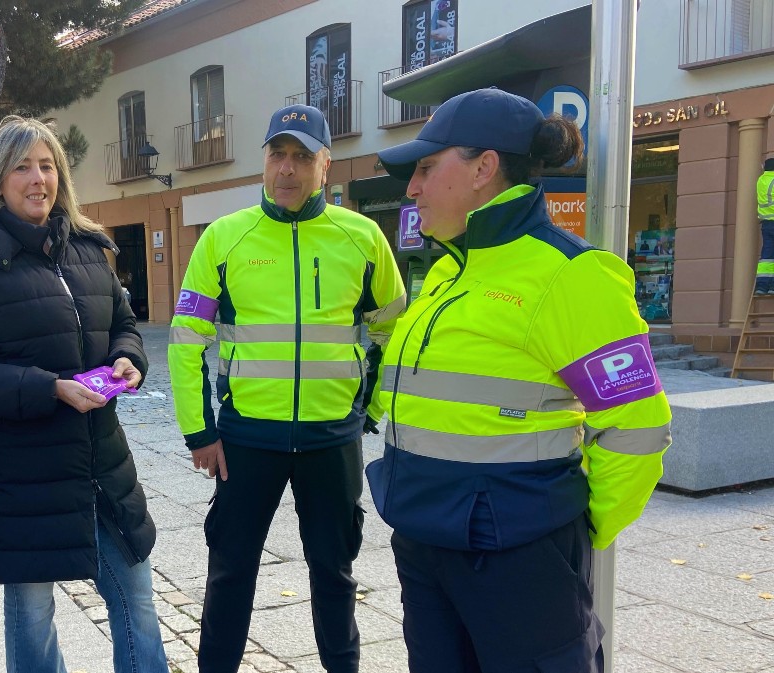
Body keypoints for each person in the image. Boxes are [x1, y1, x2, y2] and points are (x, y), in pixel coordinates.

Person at [368, 88, 672, 672]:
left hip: (517, 555)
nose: (412, 188)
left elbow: (637, 426)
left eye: (428, 168)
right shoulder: (448, 272)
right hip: (425, 538)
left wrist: (574, 529)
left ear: (485, 168)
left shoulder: (570, 275)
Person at [0, 116, 167, 673]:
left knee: (137, 598)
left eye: (48, 165)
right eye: (22, 167)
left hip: (101, 463)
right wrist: (47, 389)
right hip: (17, 475)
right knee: (33, 612)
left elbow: (124, 321)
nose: (38, 179)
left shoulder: (87, 247)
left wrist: (130, 358)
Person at [168, 104, 406, 673]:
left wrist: (365, 408)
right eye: (279, 155)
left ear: (327, 165)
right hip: (247, 440)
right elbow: (184, 339)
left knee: (334, 571)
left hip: (331, 440)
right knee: (230, 571)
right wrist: (199, 431)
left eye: (303, 156)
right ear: (264, 163)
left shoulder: (363, 238)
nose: (289, 169)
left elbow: (393, 330)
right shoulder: (224, 238)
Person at [756, 157, 773, 295]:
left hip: (766, 223)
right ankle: (773, 286)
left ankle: (762, 286)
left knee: (767, 255)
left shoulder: (761, 180)